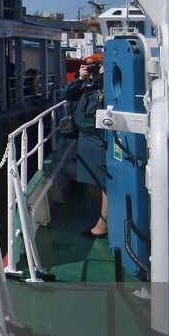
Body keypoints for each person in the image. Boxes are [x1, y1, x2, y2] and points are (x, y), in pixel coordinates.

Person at [71, 55, 109, 238]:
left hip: (100, 136)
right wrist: (80, 79)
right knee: (90, 179)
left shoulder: (107, 83)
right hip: (85, 137)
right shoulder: (86, 84)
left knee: (103, 181)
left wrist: (106, 78)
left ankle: (103, 225)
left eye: (96, 66)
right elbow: (67, 95)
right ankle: (103, 216)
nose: (93, 69)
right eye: (90, 66)